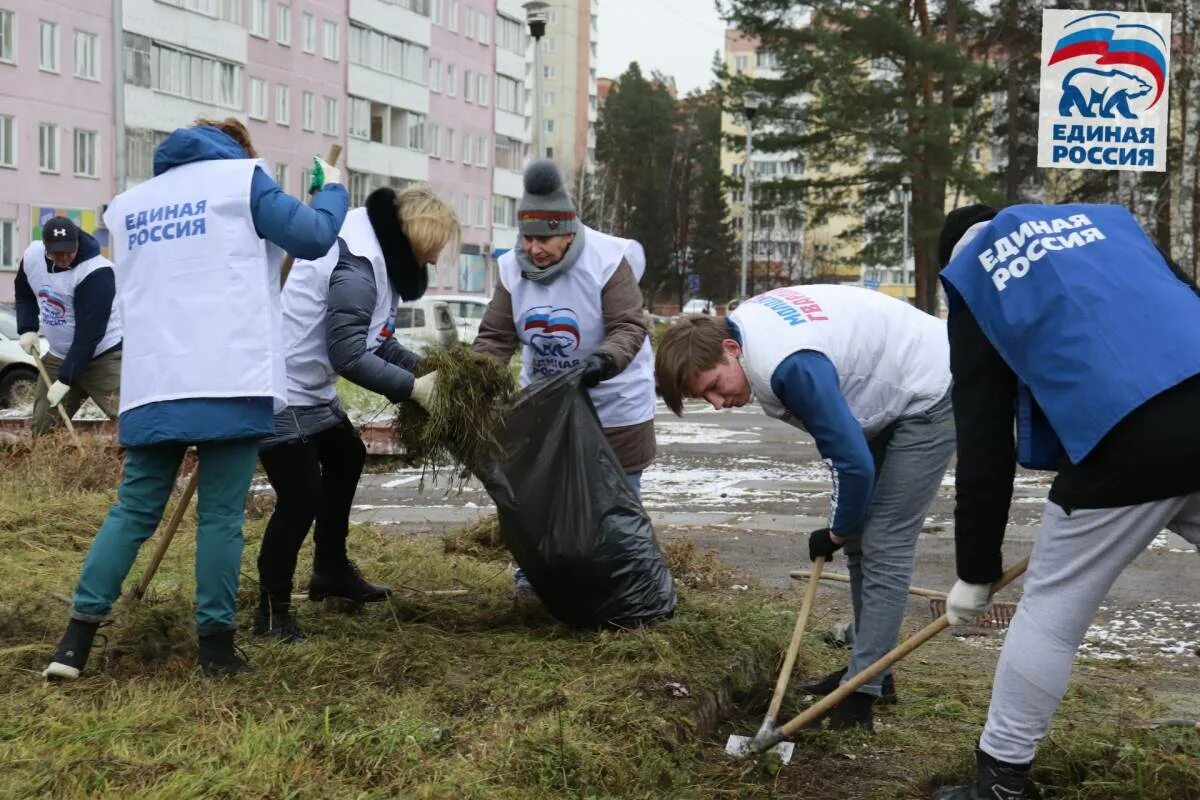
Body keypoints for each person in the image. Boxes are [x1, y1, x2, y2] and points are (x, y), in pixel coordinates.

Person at [42, 117, 349, 680]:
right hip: (229, 374)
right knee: (221, 516)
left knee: (134, 509)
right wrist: (332, 187)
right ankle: (215, 650)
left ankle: (74, 643)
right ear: (235, 151)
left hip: (155, 378)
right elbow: (313, 236)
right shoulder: (244, 181)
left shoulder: (129, 205)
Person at [931, 204, 1200, 799]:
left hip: (1125, 434)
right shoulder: (1112, 224)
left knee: (1051, 610)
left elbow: (983, 438)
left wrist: (975, 571)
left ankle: (1000, 781)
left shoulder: (975, 274)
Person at [655, 284, 954, 730]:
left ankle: (862, 691)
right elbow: (844, 450)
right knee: (858, 537)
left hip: (932, 388)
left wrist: (834, 531)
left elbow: (851, 463)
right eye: (706, 398)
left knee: (885, 542)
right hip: (885, 387)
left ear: (731, 349)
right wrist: (843, 528)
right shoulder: (746, 338)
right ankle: (873, 668)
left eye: (716, 386)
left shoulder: (788, 365)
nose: (718, 404)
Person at [253, 184, 459, 642]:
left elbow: (377, 341)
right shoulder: (358, 266)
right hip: (278, 387)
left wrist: (429, 372)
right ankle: (271, 612)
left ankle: (330, 570)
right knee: (301, 495)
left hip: (311, 387)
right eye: (433, 250)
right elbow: (347, 354)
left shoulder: (376, 256)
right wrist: (412, 389)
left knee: (345, 453)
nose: (433, 262)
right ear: (416, 237)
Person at [473, 159, 656, 603]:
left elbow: (630, 327)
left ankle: (623, 589)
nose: (534, 249)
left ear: (569, 231)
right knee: (540, 493)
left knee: (616, 502)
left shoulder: (608, 261)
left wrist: (601, 363)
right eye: (527, 238)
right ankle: (534, 582)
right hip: (547, 401)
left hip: (614, 398)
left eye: (545, 238)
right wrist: (475, 381)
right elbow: (496, 337)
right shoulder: (512, 270)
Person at [13, 216, 122, 433]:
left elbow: (89, 335)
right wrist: (27, 328)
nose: (63, 258)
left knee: (132, 418)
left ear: (77, 243)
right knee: (44, 428)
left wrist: (66, 379)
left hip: (102, 356)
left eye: (68, 252)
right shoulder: (32, 257)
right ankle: (47, 466)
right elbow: (24, 294)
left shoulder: (97, 272)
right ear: (45, 247)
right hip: (59, 355)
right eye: (56, 253)